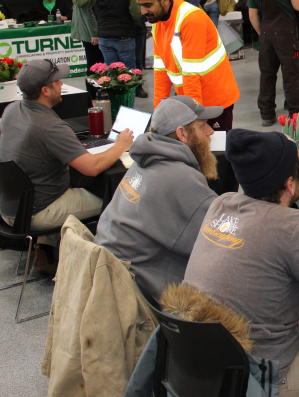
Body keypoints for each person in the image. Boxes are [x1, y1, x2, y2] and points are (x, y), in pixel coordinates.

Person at [182, 128, 299, 396]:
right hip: (257, 375)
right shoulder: (292, 226)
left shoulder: (221, 204)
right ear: (291, 185)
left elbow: (243, 272)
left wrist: (290, 295)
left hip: (200, 362)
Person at [0, 60, 134, 269]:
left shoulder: (11, 110)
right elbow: (93, 167)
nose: (61, 85)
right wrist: (120, 145)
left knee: (72, 183)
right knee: (116, 196)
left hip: (10, 206)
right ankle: (111, 266)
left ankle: (44, 248)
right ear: (45, 90)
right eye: (57, 81)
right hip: (38, 212)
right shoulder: (51, 127)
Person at [95, 95, 221, 297]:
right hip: (139, 293)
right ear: (182, 134)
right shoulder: (182, 178)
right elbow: (219, 242)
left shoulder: (142, 162)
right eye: (203, 126)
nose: (210, 132)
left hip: (108, 275)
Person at [135, 0, 240, 130]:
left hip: (215, 102)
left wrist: (194, 119)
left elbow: (191, 74)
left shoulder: (191, 19)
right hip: (191, 101)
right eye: (141, 5)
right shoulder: (158, 22)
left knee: (216, 152)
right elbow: (161, 73)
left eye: (148, 5)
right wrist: (157, 114)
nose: (143, 11)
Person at [95, 0, 142, 69]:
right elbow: (136, 14)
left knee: (112, 71)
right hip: (124, 36)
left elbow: (90, 8)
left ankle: (114, 87)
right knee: (129, 72)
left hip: (104, 36)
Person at [70, 0, 106, 80]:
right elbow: (87, 9)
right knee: (94, 66)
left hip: (91, 30)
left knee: (97, 65)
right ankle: (93, 98)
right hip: (90, 32)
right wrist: (94, 33)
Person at [123, 0, 149, 98]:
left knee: (138, 59)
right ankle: (127, 86)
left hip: (138, 27)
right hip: (125, 28)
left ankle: (139, 86)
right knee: (127, 59)